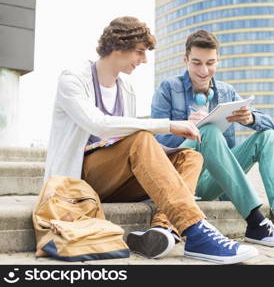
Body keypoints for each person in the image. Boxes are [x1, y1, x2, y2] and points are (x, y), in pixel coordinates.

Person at [44, 17, 258, 264]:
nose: (144, 60)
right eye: (139, 52)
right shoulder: (73, 79)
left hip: (116, 179)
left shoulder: (127, 88)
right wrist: (167, 125)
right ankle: (197, 230)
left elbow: (122, 137)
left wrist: (163, 150)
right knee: (141, 138)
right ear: (118, 45)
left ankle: (164, 229)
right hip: (79, 181)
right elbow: (99, 125)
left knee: (189, 156)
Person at [151, 30, 274, 247]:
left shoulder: (226, 91)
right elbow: (157, 141)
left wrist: (250, 119)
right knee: (209, 131)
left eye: (210, 63)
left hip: (216, 180)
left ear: (218, 61)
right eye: (196, 63)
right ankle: (256, 223)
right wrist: (187, 127)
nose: (204, 71)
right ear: (185, 61)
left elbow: (272, 125)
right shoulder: (168, 88)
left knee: (268, 136)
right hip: (184, 176)